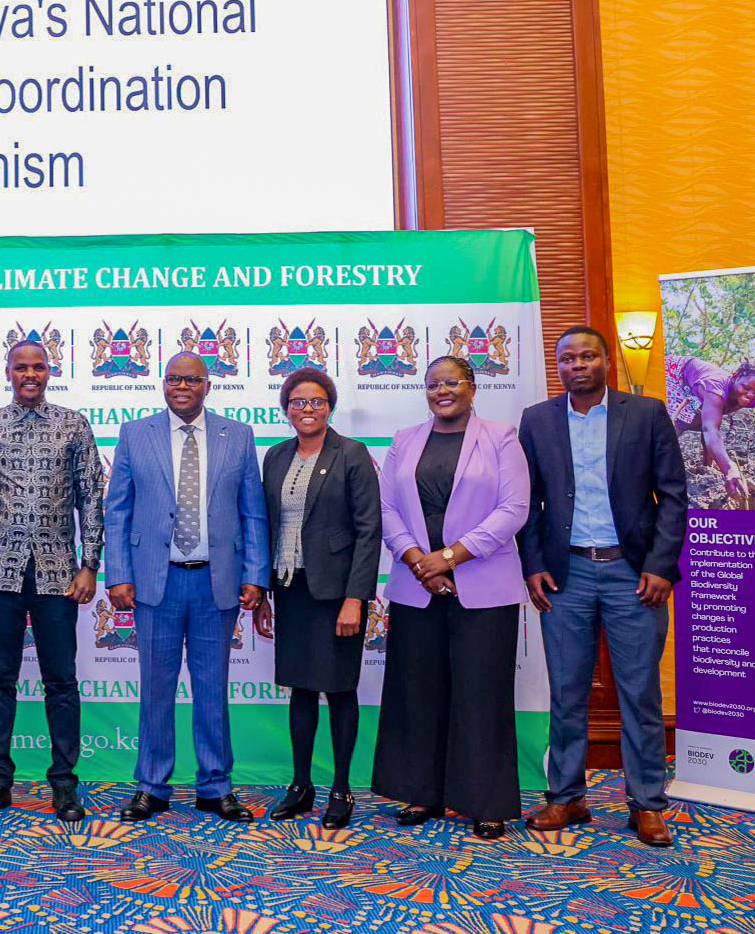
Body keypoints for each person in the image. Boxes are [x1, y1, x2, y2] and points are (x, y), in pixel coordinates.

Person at [519, 327, 688, 848]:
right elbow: (528, 502)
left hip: (632, 574)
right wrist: (532, 566)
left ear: (607, 362)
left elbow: (674, 495)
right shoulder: (538, 420)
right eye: (567, 358)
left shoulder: (646, 413)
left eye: (587, 356)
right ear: (558, 367)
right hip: (564, 575)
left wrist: (660, 566)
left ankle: (648, 804)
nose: (577, 365)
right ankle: (566, 797)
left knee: (638, 692)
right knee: (567, 690)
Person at [104, 352, 268, 823]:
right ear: (163, 384)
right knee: (155, 688)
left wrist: (255, 575)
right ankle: (152, 786)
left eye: (191, 379)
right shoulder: (137, 434)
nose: (182, 386)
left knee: (213, 688)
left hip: (216, 583)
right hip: (157, 582)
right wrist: (118, 573)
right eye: (174, 378)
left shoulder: (237, 435)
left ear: (207, 385)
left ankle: (215, 787)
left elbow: (252, 512)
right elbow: (117, 510)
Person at [371, 355, 530, 840]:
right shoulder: (405, 440)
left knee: (482, 696)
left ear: (472, 387)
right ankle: (424, 793)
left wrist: (452, 557)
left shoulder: (501, 437)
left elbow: (514, 509)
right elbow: (387, 507)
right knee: (417, 694)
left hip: (482, 586)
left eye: (452, 382)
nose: (442, 391)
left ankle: (484, 801)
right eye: (433, 384)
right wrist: (419, 560)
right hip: (416, 587)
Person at [0, 339, 105, 823]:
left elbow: (92, 499)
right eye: (21, 367)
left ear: (50, 372)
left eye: (38, 367)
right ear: (8, 371)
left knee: (61, 681)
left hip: (59, 574)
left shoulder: (73, 424)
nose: (30, 374)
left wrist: (90, 564)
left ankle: (64, 784)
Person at [256, 365, 381, 830]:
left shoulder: (351, 453)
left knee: (340, 689)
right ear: (286, 408)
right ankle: (301, 784)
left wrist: (355, 598)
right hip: (291, 590)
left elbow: (369, 531)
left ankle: (342, 787)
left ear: (329, 406)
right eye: (297, 402)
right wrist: (264, 593)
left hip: (336, 594)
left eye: (316, 402)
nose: (307, 409)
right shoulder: (275, 455)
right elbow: (266, 526)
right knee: (301, 689)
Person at [663, 355, 755, 502]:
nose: (750, 394)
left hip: (689, 386)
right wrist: (729, 468)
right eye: (746, 388)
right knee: (685, 420)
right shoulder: (715, 387)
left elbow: (713, 425)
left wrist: (712, 468)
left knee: (707, 418)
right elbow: (710, 429)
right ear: (735, 377)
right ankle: (654, 456)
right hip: (672, 372)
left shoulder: (743, 397)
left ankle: (707, 467)